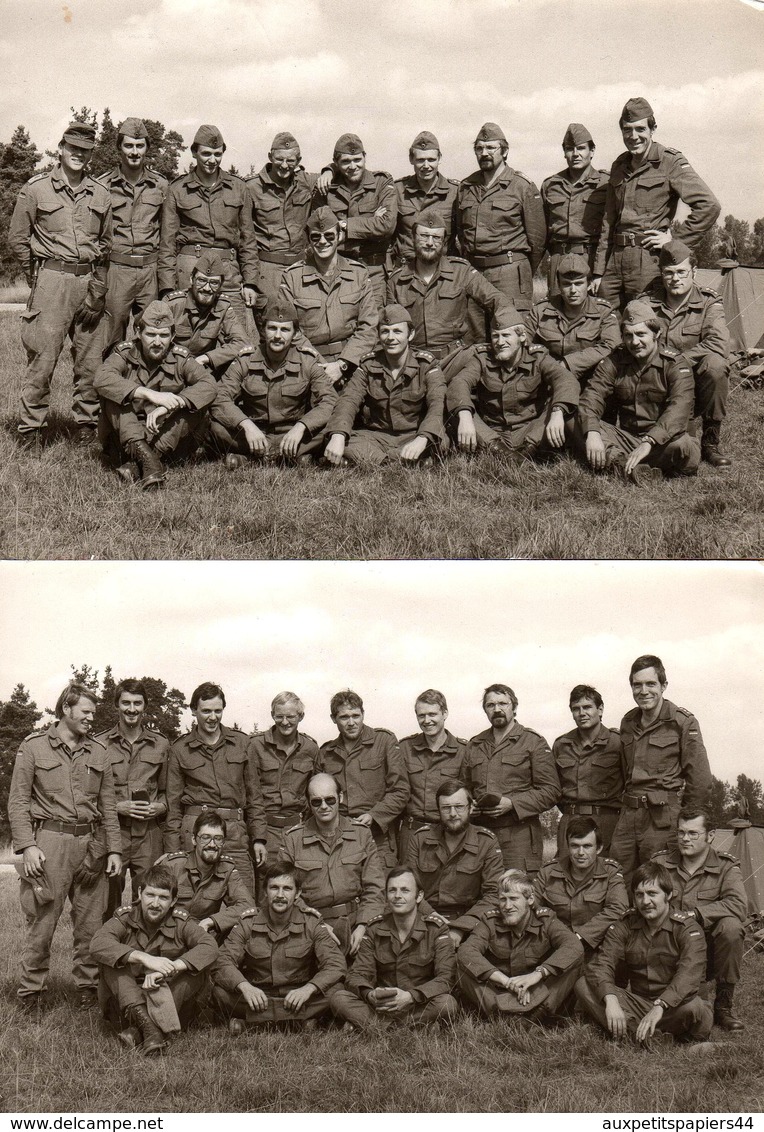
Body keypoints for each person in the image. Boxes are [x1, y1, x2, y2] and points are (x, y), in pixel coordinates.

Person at [7, 682, 121, 1010]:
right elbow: (18, 801)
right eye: (86, 712)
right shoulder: (33, 747)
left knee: (90, 923)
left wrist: (112, 849)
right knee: (42, 922)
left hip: (91, 845)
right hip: (48, 845)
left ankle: (87, 989)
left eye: (94, 713)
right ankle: (32, 992)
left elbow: (108, 806)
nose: (90, 718)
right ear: (66, 709)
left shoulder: (99, 751)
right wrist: (27, 846)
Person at [9, 119, 112, 451]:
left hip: (89, 280)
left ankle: (86, 427)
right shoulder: (36, 188)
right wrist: (37, 277)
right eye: (73, 149)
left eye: (85, 151)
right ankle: (30, 432)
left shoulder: (100, 192)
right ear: (61, 148)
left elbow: (107, 244)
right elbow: (18, 239)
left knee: (91, 360)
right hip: (51, 281)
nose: (78, 155)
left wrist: (98, 288)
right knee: (43, 358)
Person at [593, 97, 720, 308]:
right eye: (627, 130)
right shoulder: (619, 164)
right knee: (606, 321)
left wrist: (675, 242)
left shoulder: (669, 161)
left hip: (648, 260)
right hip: (614, 262)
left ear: (653, 129)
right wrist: (599, 271)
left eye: (640, 129)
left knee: (646, 323)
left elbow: (709, 206)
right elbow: (608, 220)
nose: (634, 136)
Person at [575, 861, 713, 1046]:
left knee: (694, 1007)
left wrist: (661, 1005)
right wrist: (611, 999)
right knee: (583, 985)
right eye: (639, 895)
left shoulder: (687, 929)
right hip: (641, 1004)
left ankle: (633, 1035)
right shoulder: (625, 924)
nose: (645, 901)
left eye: (652, 894)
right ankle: (649, 1037)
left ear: (669, 895)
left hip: (677, 1006)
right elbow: (602, 963)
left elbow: (688, 975)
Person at [90, 863, 218, 1055]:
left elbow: (210, 946)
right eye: (150, 895)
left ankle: (141, 1031)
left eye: (163, 898)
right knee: (112, 961)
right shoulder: (125, 917)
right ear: (140, 893)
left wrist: (174, 966)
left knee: (197, 969)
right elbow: (97, 943)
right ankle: (149, 1027)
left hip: (169, 1002)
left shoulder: (181, 922)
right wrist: (143, 958)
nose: (155, 904)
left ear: (174, 901)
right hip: (127, 1006)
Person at [572, 299, 700, 483]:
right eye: (628, 335)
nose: (635, 342)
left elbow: (679, 410)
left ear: (657, 334)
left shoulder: (675, 364)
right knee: (578, 422)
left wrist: (649, 441)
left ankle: (620, 465)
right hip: (630, 439)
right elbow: (592, 395)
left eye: (641, 334)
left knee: (682, 445)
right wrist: (592, 432)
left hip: (667, 441)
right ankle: (630, 468)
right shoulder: (614, 361)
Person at [94, 299, 217, 489]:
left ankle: (147, 460)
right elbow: (101, 378)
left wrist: (177, 403)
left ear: (173, 335)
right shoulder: (125, 353)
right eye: (151, 334)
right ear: (138, 333)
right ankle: (148, 459)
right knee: (112, 394)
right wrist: (148, 394)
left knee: (196, 404)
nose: (157, 342)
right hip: (125, 440)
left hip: (166, 440)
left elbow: (209, 385)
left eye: (164, 336)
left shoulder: (180, 358)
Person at [609, 655, 711, 885]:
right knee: (617, 878)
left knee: (660, 880)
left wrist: (686, 821)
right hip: (628, 817)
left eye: (650, 684)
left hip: (662, 818)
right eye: (637, 685)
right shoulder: (628, 722)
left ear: (663, 686)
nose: (643, 691)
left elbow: (700, 780)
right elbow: (626, 771)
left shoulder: (682, 722)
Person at [212, 862, 349, 1032]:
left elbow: (336, 964)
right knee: (219, 992)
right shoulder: (247, 923)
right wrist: (244, 987)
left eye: (287, 889)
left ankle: (253, 1024)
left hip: (299, 996)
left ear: (297, 893)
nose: (280, 895)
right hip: (258, 996)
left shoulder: (311, 922)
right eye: (274, 888)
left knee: (335, 991)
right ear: (265, 892)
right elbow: (222, 961)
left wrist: (309, 989)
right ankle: (299, 1022)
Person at [209, 295, 337, 467]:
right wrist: (246, 425)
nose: (277, 335)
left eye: (284, 330)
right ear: (263, 331)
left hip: (292, 433)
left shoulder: (307, 361)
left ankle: (253, 459)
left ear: (295, 333)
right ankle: (289, 458)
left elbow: (330, 400)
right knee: (214, 426)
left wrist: (301, 427)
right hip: (254, 433)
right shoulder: (246, 359)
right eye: (272, 328)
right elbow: (220, 397)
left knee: (330, 428)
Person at [165, 681, 266, 892]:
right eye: (206, 711)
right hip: (196, 833)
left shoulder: (242, 743)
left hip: (234, 834)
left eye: (218, 711)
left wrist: (259, 838)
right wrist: (173, 851)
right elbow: (173, 806)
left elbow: (254, 796)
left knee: (243, 899)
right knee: (191, 900)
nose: (213, 717)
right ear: (194, 710)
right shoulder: (179, 748)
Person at [653, 807, 748, 1031]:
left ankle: (723, 1006)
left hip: (709, 950)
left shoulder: (726, 866)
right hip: (670, 946)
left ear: (711, 835)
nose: (685, 839)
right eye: (681, 832)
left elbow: (739, 905)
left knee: (732, 927)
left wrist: (696, 914)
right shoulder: (660, 863)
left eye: (693, 833)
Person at [330, 866, 459, 1030]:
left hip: (418, 1005)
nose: (397, 896)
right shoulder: (374, 928)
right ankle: (414, 1027)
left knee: (447, 1004)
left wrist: (411, 997)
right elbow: (357, 974)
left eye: (405, 890)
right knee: (339, 998)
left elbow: (446, 978)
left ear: (418, 896)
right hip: (382, 1006)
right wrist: (370, 995)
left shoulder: (436, 929)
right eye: (392, 890)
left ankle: (376, 1027)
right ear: (386, 896)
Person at [640, 238, 731, 467]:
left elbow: (719, 341)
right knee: (681, 451)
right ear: (661, 274)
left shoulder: (709, 301)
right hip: (658, 380)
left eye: (681, 272)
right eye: (669, 273)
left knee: (716, 366)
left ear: (694, 271)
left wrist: (679, 361)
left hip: (693, 380)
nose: (675, 279)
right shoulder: (647, 303)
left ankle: (710, 442)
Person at [447, 303, 579, 462]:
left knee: (563, 404)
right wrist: (465, 415)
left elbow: (565, 379)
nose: (500, 342)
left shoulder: (538, 357)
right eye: (495, 336)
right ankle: (508, 456)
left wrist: (558, 412)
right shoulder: (482, 358)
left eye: (506, 335)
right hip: (493, 433)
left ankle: (527, 451)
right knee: (458, 411)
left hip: (530, 431)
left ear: (522, 336)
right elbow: (459, 382)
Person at [323, 304, 446, 468]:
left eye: (397, 331)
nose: (390, 337)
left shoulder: (427, 365)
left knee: (440, 441)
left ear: (410, 335)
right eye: (385, 331)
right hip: (376, 437)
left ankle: (375, 461)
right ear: (379, 335)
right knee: (339, 439)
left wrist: (422, 439)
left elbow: (437, 405)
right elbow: (349, 400)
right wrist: (338, 434)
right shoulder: (368, 364)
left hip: (413, 433)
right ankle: (405, 461)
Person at [158, 124, 258, 324]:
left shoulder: (238, 188)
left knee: (235, 332)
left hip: (228, 271)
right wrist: (168, 288)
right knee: (185, 332)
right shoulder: (177, 189)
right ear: (194, 152)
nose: (212, 160)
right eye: (206, 154)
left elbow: (248, 239)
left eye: (217, 154)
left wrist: (251, 283)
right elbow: (167, 243)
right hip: (190, 270)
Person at [455, 122, 546, 341]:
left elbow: (537, 239)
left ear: (505, 151)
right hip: (475, 273)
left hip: (510, 274)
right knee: (476, 338)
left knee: (513, 336)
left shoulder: (521, 186)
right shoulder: (466, 187)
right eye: (479, 148)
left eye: (490, 148)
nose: (484, 153)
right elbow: (460, 232)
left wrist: (518, 268)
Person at [458, 868, 584, 1023]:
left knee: (574, 962)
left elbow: (573, 946)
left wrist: (537, 975)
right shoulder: (490, 921)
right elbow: (467, 951)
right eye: (503, 899)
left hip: (537, 989)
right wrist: (505, 981)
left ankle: (539, 1014)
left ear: (530, 899)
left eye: (513, 898)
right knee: (462, 966)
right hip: (499, 991)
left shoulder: (546, 919)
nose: (507, 906)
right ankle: (501, 1017)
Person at [279, 773, 386, 954]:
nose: (324, 807)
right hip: (309, 926)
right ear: (308, 803)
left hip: (356, 924)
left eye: (330, 800)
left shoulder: (361, 834)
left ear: (340, 798)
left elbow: (374, 887)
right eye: (316, 802)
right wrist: (316, 925)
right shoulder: (293, 839)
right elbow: (285, 891)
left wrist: (363, 926)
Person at [463, 684, 559, 875]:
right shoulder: (475, 744)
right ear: (485, 710)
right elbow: (464, 787)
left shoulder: (533, 742)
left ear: (514, 707)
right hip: (481, 835)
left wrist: (513, 804)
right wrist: (468, 804)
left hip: (519, 837)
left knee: (518, 893)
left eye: (502, 703)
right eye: (490, 705)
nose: (497, 709)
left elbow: (551, 790)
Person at [386, 209, 504, 363]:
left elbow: (496, 299)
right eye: (424, 236)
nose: (430, 242)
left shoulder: (461, 271)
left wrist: (510, 326)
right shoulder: (396, 281)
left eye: (436, 238)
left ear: (443, 242)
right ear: (413, 237)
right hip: (414, 361)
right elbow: (388, 328)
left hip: (455, 360)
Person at [95, 677, 169, 917]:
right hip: (112, 832)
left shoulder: (161, 744)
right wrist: (118, 806)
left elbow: (171, 792)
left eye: (137, 703)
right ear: (117, 705)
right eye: (126, 703)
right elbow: (89, 795)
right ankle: (111, 952)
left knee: (150, 900)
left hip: (148, 835)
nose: (132, 709)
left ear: (145, 705)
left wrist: (160, 807)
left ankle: (143, 952)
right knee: (107, 901)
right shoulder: (99, 744)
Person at [280, 206, 378, 387]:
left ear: (339, 236)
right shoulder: (292, 277)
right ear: (309, 239)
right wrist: (321, 366)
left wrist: (341, 365)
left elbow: (369, 326)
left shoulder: (359, 273)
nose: (322, 241)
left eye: (329, 236)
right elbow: (290, 330)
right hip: (308, 363)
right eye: (316, 237)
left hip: (352, 363)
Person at [406, 780, 504, 949]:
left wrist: (460, 929)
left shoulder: (486, 842)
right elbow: (408, 887)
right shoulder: (419, 839)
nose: (452, 813)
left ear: (470, 807)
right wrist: (433, 918)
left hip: (470, 922)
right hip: (424, 918)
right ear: (438, 810)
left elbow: (493, 894)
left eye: (459, 806)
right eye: (446, 808)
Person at [97, 117, 167, 352]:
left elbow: (167, 232)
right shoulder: (103, 186)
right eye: (129, 146)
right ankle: (110, 386)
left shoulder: (161, 185)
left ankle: (144, 387)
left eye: (140, 146)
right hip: (117, 270)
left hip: (150, 271)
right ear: (119, 148)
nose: (134, 152)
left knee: (152, 335)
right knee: (111, 337)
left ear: (147, 148)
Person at [317, 692, 409, 867]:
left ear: (363, 714)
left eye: (355, 716)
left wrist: (374, 815)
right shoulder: (326, 753)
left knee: (379, 890)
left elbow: (400, 790)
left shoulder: (383, 741)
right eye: (344, 717)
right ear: (333, 718)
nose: (351, 723)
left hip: (378, 838)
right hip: (339, 839)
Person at [246, 131, 328, 309]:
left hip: (301, 267)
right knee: (270, 325)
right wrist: (249, 281)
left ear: (298, 161)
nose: (284, 165)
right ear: (270, 157)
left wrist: (328, 171)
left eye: (290, 161)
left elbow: (343, 169)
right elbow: (245, 238)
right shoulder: (251, 187)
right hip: (267, 271)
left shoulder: (306, 182)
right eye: (279, 159)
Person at [317, 132, 398, 306]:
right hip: (339, 270)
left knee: (375, 322)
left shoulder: (381, 183)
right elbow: (320, 230)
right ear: (336, 162)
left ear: (364, 157)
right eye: (346, 161)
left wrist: (343, 226)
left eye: (357, 160)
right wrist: (370, 222)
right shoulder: (327, 187)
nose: (353, 166)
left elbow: (386, 225)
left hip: (374, 270)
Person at [247, 691, 321, 875]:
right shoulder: (256, 746)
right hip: (266, 830)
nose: (285, 722)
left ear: (301, 716)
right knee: (268, 889)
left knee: (302, 885)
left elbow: (315, 794)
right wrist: (259, 839)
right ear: (272, 715)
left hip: (300, 830)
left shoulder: (311, 749)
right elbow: (253, 796)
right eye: (279, 716)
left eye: (291, 716)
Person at [533, 817, 629, 955]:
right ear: (568, 846)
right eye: (575, 846)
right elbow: (532, 906)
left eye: (587, 846)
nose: (580, 853)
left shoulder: (611, 871)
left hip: (595, 948)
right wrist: (559, 935)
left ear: (599, 848)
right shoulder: (548, 871)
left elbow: (617, 908)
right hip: (554, 946)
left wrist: (579, 937)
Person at [526, 254, 621, 389]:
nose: (573, 290)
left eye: (578, 284)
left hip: (589, 382)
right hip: (548, 380)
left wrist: (567, 363)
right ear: (558, 285)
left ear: (588, 285)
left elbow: (612, 345)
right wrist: (551, 367)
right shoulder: (541, 310)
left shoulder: (603, 311)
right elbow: (524, 343)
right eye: (566, 284)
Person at [156, 811, 254, 939]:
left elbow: (247, 905)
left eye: (218, 839)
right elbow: (152, 903)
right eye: (205, 838)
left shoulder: (227, 869)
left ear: (223, 842)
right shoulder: (173, 865)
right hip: (170, 934)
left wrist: (211, 921)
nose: (212, 845)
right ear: (194, 840)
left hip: (204, 934)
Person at [552, 683, 623, 855]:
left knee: (606, 872)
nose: (582, 713)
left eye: (587, 707)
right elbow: (553, 787)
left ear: (600, 709)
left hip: (606, 822)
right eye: (576, 709)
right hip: (570, 819)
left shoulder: (617, 742)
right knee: (566, 873)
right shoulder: (562, 745)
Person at [398, 689, 467, 863]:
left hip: (448, 832)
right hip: (411, 833)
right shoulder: (405, 748)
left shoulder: (463, 751)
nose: (427, 721)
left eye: (432, 714)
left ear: (445, 714)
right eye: (421, 716)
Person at [541, 123, 608, 294]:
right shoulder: (551, 185)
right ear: (564, 152)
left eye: (581, 148)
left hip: (591, 259)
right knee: (556, 313)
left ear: (592, 151)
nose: (576, 154)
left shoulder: (606, 184)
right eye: (570, 149)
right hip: (559, 258)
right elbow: (543, 230)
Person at [165, 249, 254, 379]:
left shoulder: (223, 306)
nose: (207, 288)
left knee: (243, 359)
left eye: (214, 283)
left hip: (202, 369)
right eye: (201, 280)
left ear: (221, 285)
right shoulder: (173, 304)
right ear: (191, 279)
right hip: (171, 369)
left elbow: (242, 342)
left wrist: (206, 358)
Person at [391, 131, 459, 266]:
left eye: (431, 160)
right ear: (411, 159)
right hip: (405, 269)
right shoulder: (398, 190)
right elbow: (387, 236)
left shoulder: (455, 192)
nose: (426, 166)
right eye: (421, 160)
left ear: (440, 158)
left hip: (442, 270)